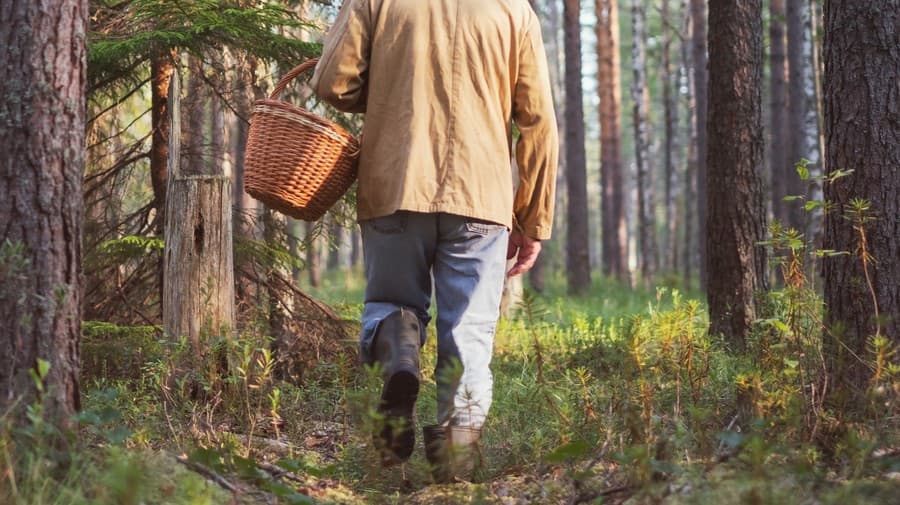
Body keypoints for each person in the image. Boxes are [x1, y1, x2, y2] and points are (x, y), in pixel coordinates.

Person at [311, 0, 558, 482]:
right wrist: (534, 218)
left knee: (390, 303)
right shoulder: (514, 11)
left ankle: (399, 352)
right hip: (480, 197)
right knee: (468, 332)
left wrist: (389, 93)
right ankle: (455, 472)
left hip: (394, 183)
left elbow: (331, 81)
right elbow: (538, 122)